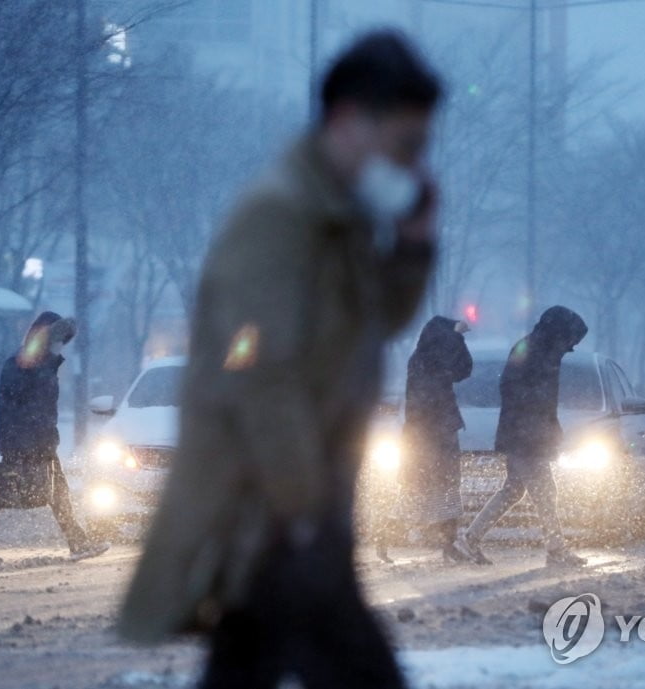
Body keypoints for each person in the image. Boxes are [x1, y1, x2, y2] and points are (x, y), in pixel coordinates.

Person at [117, 30, 441, 689]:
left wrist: (412, 246)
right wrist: (306, 511)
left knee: (250, 663)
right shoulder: (279, 218)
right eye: (406, 144)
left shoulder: (335, 219)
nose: (413, 164)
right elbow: (257, 372)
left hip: (296, 507)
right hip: (268, 508)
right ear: (350, 121)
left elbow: (378, 322)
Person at [0, 311, 109, 564]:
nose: (60, 344)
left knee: (56, 490)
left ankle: (76, 541)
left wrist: (45, 437)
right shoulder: (25, 362)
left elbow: (40, 407)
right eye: (56, 338)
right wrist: (27, 439)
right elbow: (18, 406)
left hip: (37, 440)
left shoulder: (42, 362)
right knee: (4, 491)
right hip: (23, 441)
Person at [454, 306, 589, 567]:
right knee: (546, 492)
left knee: (514, 490)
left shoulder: (543, 350)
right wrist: (537, 423)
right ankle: (556, 551)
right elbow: (514, 391)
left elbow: (537, 399)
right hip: (525, 436)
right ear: (558, 332)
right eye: (570, 339)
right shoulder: (533, 351)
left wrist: (549, 426)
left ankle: (468, 542)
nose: (570, 346)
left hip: (526, 433)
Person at [378, 316, 472, 564]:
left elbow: (464, 369)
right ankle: (392, 534)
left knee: (440, 489)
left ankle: (447, 543)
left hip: (435, 432)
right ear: (441, 337)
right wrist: (456, 335)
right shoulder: (427, 360)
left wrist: (458, 337)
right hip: (430, 434)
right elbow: (458, 367)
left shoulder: (428, 358)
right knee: (428, 489)